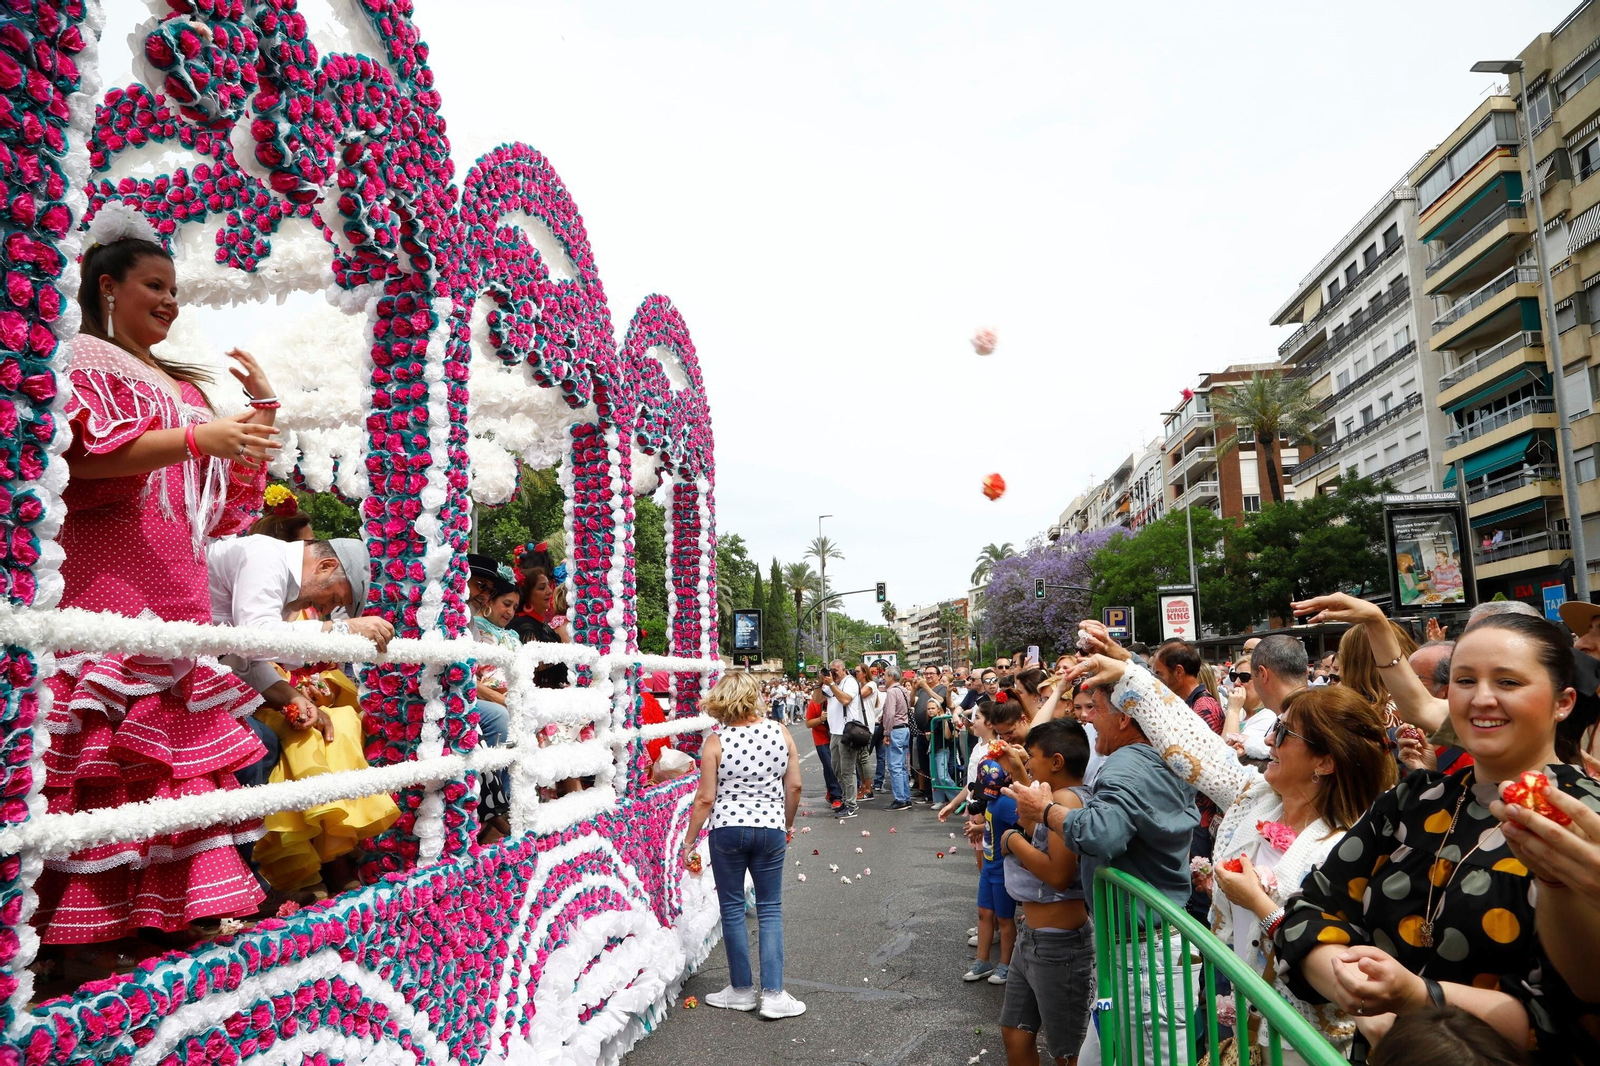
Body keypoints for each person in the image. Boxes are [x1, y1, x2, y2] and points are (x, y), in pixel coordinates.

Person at [34, 206, 283, 947]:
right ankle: (79, 945)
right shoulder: (81, 357)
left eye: (176, 289)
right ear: (105, 286)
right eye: (155, 285)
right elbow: (75, 462)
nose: (171, 302)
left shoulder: (177, 381)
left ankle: (159, 930)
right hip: (107, 583)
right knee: (107, 764)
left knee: (173, 776)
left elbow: (225, 505)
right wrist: (194, 435)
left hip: (174, 589)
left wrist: (258, 414)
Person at [1278, 596, 1600, 1061]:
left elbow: (1574, 1015)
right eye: (1465, 680)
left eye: (1508, 681)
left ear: (1563, 703)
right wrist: (1349, 981)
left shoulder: (1584, 819)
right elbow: (1310, 908)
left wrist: (1416, 997)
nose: (1481, 698)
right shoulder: (1413, 799)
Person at [1076, 620, 1397, 1057]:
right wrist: (1128, 672)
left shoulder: (1352, 844)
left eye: (1283, 734)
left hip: (1304, 1039)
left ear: (1325, 762)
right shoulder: (1256, 798)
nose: (1267, 739)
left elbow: (1338, 960)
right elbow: (1192, 743)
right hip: (1239, 1014)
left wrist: (1262, 906)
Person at [1004, 660, 1200, 1065]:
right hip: (1134, 948)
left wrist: (1042, 813)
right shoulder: (1162, 756)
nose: (1088, 721)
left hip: (1145, 957)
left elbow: (1101, 834)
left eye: (1095, 709)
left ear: (1126, 716)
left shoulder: (1126, 764)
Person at [207, 533, 399, 894]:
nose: (325, 609)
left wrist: (292, 698)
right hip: (178, 678)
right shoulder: (267, 554)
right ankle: (237, 880)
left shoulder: (282, 581)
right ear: (326, 565)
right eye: (334, 599)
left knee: (321, 729)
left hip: (211, 680)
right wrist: (343, 628)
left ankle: (289, 870)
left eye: (333, 608)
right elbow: (255, 639)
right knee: (257, 744)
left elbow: (247, 661)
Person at [679, 671, 805, 1019]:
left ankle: (741, 990)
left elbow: (705, 798)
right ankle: (775, 994)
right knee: (770, 909)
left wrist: (689, 842)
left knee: (732, 909)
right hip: (770, 828)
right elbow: (793, 787)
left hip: (728, 829)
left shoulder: (716, 743)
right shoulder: (780, 732)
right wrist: (787, 822)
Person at [992, 719, 1094, 1066]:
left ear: (1056, 762)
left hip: (1059, 945)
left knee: (1067, 1051)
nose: (1028, 763)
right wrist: (1019, 771)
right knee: (1015, 1031)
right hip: (1033, 937)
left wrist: (1012, 840)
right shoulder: (1058, 797)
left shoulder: (1068, 801)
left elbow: (1059, 874)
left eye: (1031, 756)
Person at [964, 699, 1028, 985]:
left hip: (1004, 870)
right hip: (990, 868)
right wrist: (980, 828)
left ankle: (1005, 964)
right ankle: (982, 962)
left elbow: (1020, 828)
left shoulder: (1006, 803)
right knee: (984, 913)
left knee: (1004, 919)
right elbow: (990, 822)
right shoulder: (992, 804)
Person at [466, 555, 522, 831]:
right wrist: (499, 696)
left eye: (489, 590)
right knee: (500, 717)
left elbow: (469, 673)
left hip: (468, 694)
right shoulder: (453, 615)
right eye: (480, 586)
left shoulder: (473, 625)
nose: (484, 594)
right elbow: (460, 675)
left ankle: (507, 806)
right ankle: (501, 809)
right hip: (445, 697)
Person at [822, 659, 868, 817]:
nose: (833, 673)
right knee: (836, 768)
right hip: (835, 731)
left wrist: (832, 685)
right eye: (830, 670)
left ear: (843, 670)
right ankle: (845, 799)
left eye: (835, 670)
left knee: (847, 770)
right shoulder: (831, 683)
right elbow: (817, 699)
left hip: (848, 731)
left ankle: (851, 804)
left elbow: (845, 700)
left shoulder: (850, 682)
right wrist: (820, 683)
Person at [1221, 655, 1275, 771]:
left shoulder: (1267, 715)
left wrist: (1233, 710)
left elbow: (1227, 754)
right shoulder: (1242, 712)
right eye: (1234, 676)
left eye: (1244, 677)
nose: (1236, 682)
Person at [804, 673, 843, 812]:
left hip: (838, 734)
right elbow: (808, 723)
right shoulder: (815, 702)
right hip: (822, 738)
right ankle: (835, 796)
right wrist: (821, 719)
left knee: (842, 766)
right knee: (829, 765)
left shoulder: (838, 697)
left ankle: (836, 791)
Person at [880, 670, 914, 810]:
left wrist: (886, 732)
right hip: (904, 729)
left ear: (891, 677)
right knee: (902, 766)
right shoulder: (904, 690)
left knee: (895, 766)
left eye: (886, 675)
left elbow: (889, 713)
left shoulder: (892, 692)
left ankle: (900, 799)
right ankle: (905, 797)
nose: (884, 678)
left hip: (896, 729)